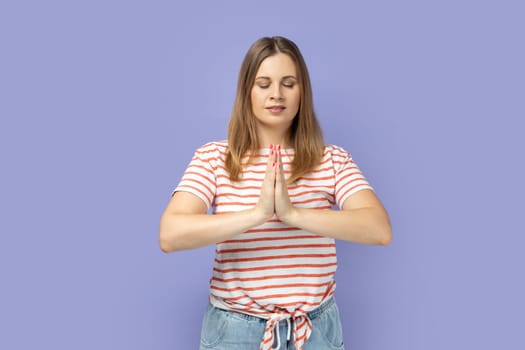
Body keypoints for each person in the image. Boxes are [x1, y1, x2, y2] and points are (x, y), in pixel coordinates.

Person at [159, 36, 392, 350]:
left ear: (302, 93)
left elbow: (379, 229)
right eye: (264, 83)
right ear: (247, 92)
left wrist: (292, 214)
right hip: (234, 331)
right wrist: (257, 214)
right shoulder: (214, 158)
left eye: (289, 83)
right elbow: (170, 235)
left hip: (314, 331)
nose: (276, 94)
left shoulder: (332, 159)